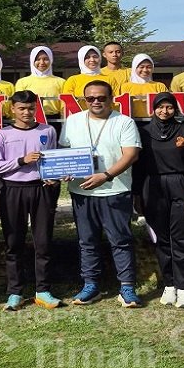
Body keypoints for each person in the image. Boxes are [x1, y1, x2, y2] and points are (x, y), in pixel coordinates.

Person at [59, 80, 142, 308]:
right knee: (87, 241)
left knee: (121, 240)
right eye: (91, 98)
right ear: (84, 100)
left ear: (111, 98)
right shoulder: (73, 121)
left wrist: (105, 175)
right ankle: (91, 284)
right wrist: (66, 170)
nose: (96, 102)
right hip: (82, 191)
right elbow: (65, 152)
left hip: (115, 190)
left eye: (101, 98)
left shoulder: (124, 122)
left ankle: (127, 287)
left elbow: (131, 155)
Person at [0, 90, 61, 310]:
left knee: (43, 241)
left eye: (30, 108)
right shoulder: (3, 134)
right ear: (13, 109)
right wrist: (21, 160)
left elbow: (54, 160)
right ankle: (15, 292)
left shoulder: (48, 131)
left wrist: (55, 177)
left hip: (41, 190)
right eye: (21, 108)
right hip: (13, 190)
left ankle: (43, 289)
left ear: (36, 109)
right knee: (13, 242)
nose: (26, 112)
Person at [134, 92, 184, 309]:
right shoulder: (143, 133)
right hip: (152, 187)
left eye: (169, 107)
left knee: (182, 239)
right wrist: (137, 194)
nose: (165, 111)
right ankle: (169, 284)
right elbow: (138, 167)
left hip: (181, 186)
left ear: (176, 109)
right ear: (153, 109)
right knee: (162, 239)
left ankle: (183, 288)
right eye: (160, 107)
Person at [13, 46, 66, 119]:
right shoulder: (22, 82)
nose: (42, 62)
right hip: (29, 118)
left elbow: (64, 105)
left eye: (46, 59)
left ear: (51, 60)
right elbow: (18, 103)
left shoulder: (61, 81)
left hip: (54, 119)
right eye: (38, 59)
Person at [120, 53, 168, 118]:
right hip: (132, 121)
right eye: (141, 67)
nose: (145, 70)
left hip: (155, 122)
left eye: (149, 67)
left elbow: (166, 103)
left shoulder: (159, 86)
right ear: (135, 67)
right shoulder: (125, 86)